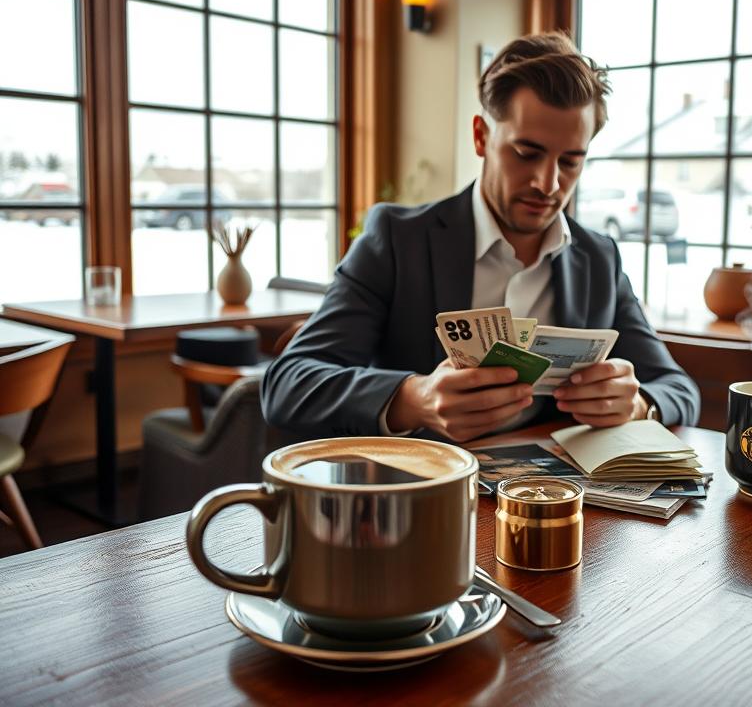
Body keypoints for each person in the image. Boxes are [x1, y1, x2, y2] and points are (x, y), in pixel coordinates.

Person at [262, 32, 700, 442]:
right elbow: (287, 385)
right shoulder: (398, 240)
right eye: (526, 153)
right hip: (420, 500)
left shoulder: (598, 258)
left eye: (570, 162)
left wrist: (639, 404)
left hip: (556, 504)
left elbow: (680, 388)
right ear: (480, 136)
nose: (548, 184)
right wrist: (415, 399)